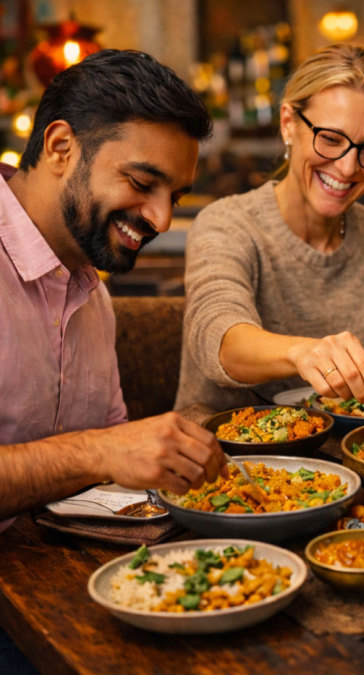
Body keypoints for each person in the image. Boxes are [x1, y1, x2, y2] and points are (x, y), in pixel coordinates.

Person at [0, 49, 222, 670]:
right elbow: (99, 454)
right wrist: (102, 450)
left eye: (174, 195)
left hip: (61, 585)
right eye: (142, 183)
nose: (160, 218)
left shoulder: (93, 291)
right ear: (62, 146)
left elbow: (107, 473)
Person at [175, 44, 364, 412]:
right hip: (223, 453)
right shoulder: (226, 224)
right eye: (331, 139)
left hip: (351, 459)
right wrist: (304, 353)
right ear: (289, 124)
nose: (348, 167)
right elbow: (219, 340)